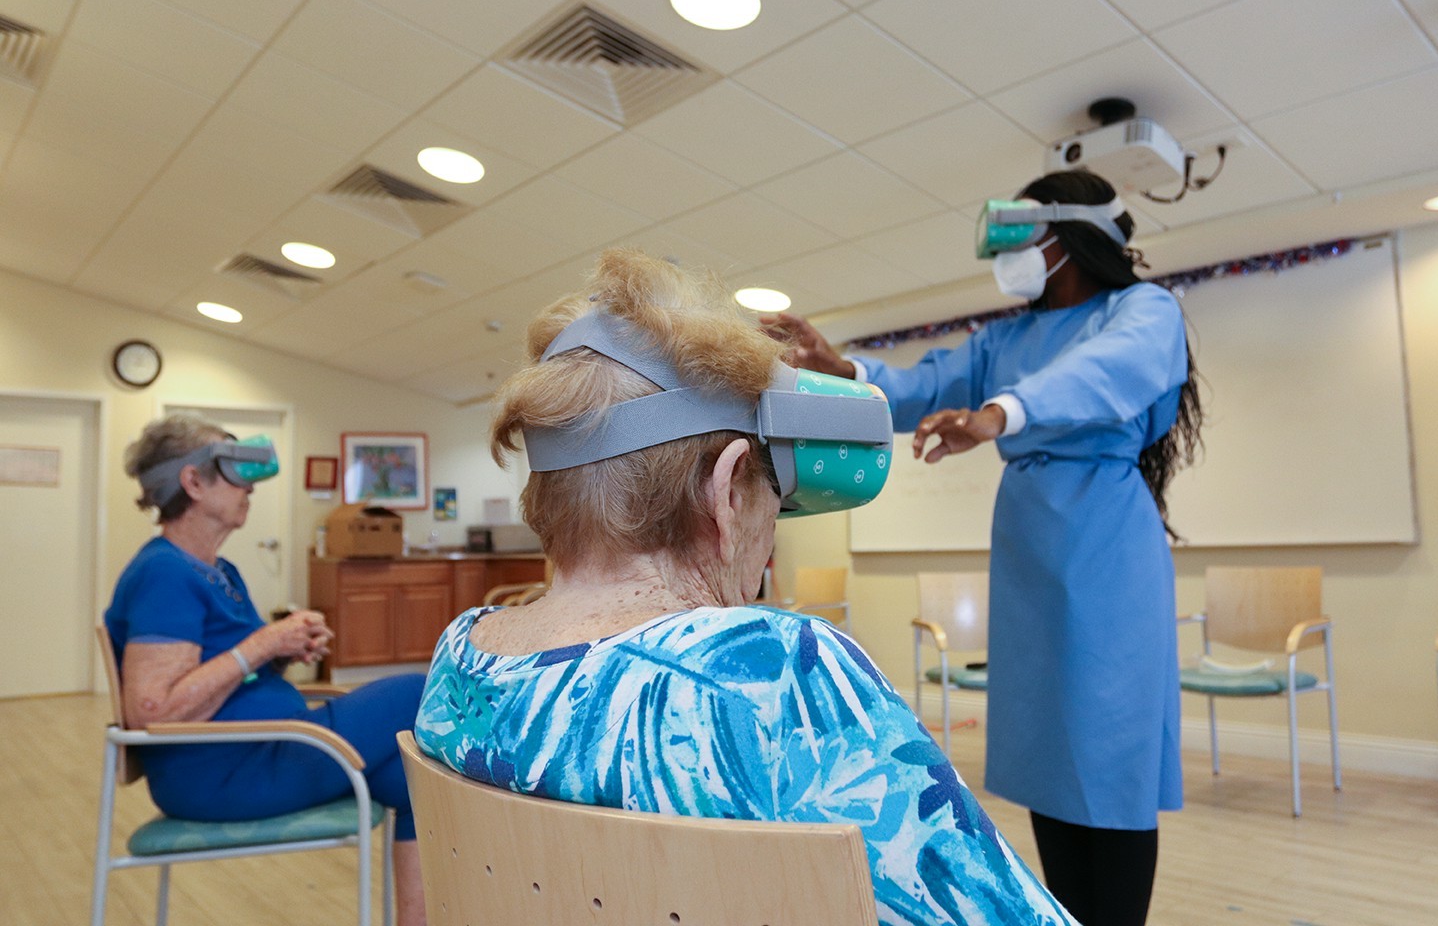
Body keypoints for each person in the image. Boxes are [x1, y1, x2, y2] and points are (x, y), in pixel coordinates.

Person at [415, 248, 1077, 926]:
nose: (773, 529)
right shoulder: (776, 672)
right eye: (774, 496)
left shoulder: (460, 659)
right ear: (728, 490)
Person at [763, 170, 1203, 926]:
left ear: (1068, 237)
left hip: (1108, 546)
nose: (1015, 252)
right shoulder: (1006, 336)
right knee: (1050, 759)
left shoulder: (1143, 309)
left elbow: (1108, 373)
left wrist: (1004, 413)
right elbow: (927, 383)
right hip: (1031, 549)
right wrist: (845, 371)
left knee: (1111, 758)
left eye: (1026, 233)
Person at [104, 414, 427, 926]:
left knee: (411, 780)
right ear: (192, 482)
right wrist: (264, 643)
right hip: (220, 771)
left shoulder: (217, 569)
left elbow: (230, 668)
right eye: (234, 471)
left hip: (261, 749)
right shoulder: (162, 573)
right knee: (420, 691)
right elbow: (151, 711)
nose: (249, 488)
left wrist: (281, 651)